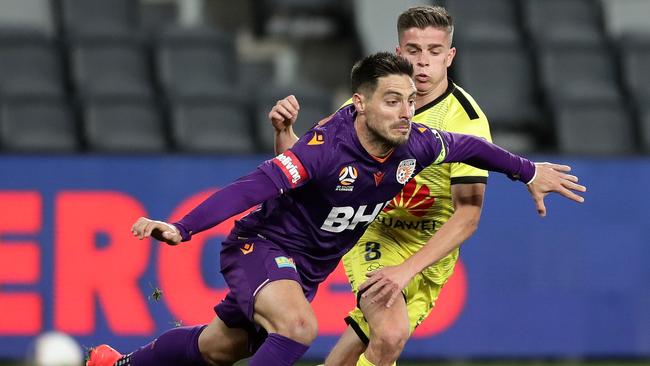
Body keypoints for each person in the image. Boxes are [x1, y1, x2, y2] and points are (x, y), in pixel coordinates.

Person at [86, 52, 585, 366]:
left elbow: (475, 148)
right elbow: (252, 187)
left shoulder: (416, 145)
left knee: (222, 347)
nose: (406, 111)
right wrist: (182, 227)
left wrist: (527, 170)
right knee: (300, 329)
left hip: (304, 271)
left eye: (411, 100)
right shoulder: (325, 148)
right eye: (392, 101)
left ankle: (117, 364)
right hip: (259, 247)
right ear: (360, 104)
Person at [267, 6, 502, 365]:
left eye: (434, 52)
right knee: (390, 334)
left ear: (449, 56)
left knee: (362, 340)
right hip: (375, 233)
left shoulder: (466, 122)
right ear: (399, 54)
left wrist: (407, 270)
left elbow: (468, 214)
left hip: (429, 252)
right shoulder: (368, 107)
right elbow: (301, 165)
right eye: (413, 51)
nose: (423, 62)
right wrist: (284, 132)